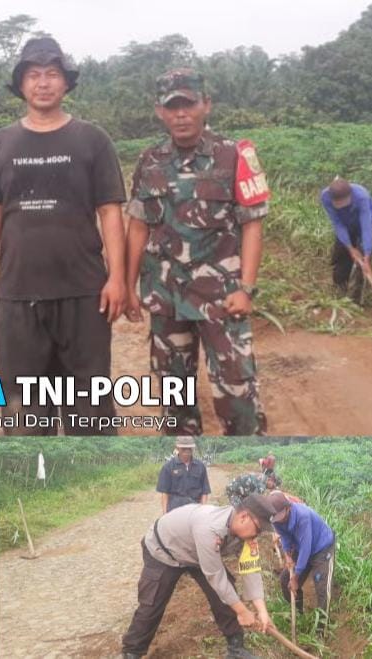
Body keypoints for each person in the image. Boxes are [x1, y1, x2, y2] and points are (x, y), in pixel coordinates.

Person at [0, 37, 127, 436]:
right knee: (24, 411)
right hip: (18, 293)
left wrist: (118, 278)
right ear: (21, 84)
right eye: (34, 75)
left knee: (89, 409)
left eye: (52, 74)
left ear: (66, 83)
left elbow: (110, 211)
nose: (43, 83)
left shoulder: (93, 140)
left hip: (84, 292)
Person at [125, 68, 268, 436]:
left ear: (206, 104)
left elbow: (252, 224)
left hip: (222, 296)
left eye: (188, 104)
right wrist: (128, 287)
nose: (181, 114)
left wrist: (246, 288)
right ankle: (183, 456)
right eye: (172, 106)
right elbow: (138, 226)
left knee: (237, 389)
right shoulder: (149, 160)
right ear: (159, 111)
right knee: (175, 393)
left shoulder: (234, 155)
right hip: (166, 295)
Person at [121, 495, 277, 659]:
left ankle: (236, 648)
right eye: (258, 529)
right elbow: (216, 577)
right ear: (244, 517)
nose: (258, 535)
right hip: (164, 551)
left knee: (225, 594)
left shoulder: (246, 535)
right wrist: (243, 612)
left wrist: (262, 611)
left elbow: (250, 570)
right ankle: (132, 652)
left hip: (197, 555)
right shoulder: (209, 528)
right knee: (152, 602)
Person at [268, 491, 336, 630]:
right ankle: (299, 618)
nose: (279, 520)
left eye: (281, 516)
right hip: (300, 546)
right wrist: (288, 555)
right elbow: (284, 537)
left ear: (288, 508)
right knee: (285, 580)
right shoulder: (276, 519)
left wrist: (296, 577)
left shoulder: (302, 516)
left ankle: (322, 629)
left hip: (321, 548)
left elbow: (306, 548)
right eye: (276, 518)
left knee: (322, 589)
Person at [320, 177, 372, 301]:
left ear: (351, 196)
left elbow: (366, 226)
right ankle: (340, 286)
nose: (341, 208)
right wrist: (350, 248)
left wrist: (367, 256)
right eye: (338, 206)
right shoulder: (325, 197)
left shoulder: (361, 196)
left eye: (344, 205)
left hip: (367, 219)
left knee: (362, 260)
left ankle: (356, 297)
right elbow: (338, 223)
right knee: (342, 253)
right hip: (345, 222)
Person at [157, 437, 211, 512]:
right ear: (177, 448)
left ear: (193, 448)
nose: (187, 451)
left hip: (195, 509)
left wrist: (202, 510)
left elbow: (204, 492)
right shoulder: (168, 467)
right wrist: (165, 514)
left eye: (189, 448)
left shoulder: (200, 466)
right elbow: (165, 493)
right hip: (175, 510)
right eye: (184, 448)